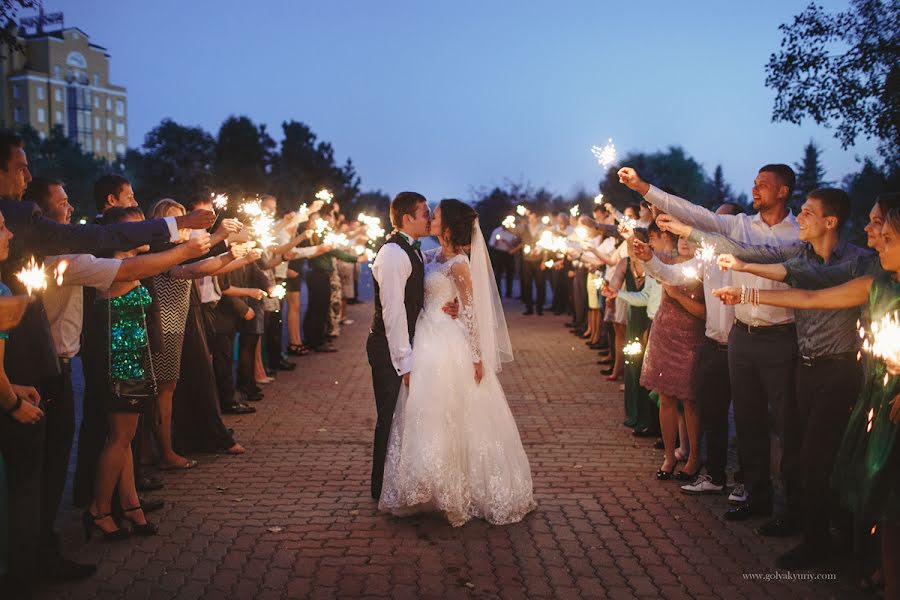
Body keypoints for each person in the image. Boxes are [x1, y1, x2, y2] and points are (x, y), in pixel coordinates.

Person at [713, 206, 900, 600]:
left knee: (864, 478)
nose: (875, 236)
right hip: (853, 383)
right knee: (858, 475)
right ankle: (869, 561)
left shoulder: (861, 262)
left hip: (855, 380)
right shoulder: (875, 280)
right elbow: (811, 295)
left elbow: (810, 284)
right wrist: (745, 289)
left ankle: (846, 552)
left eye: (884, 232)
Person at [619, 164, 800, 521]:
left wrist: (686, 230)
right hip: (740, 337)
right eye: (754, 182)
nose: (755, 188)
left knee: (783, 424)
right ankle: (755, 495)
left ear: (783, 191)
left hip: (781, 338)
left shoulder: (794, 234)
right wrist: (644, 189)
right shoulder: (740, 225)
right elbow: (696, 216)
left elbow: (761, 254)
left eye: (764, 184)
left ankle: (791, 507)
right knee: (745, 422)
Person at [379, 199, 535, 526]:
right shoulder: (429, 256)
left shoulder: (460, 264)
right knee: (428, 412)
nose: (430, 219)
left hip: (450, 343)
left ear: (447, 225)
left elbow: (474, 312)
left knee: (458, 415)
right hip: (426, 339)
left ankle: (463, 487)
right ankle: (430, 484)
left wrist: (477, 357)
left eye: (434, 216)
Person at [367, 192, 457, 501]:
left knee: (403, 420)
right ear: (408, 219)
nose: (429, 219)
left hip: (408, 343)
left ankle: (398, 485)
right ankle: (380, 490)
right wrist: (404, 362)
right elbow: (393, 313)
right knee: (389, 419)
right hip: (387, 347)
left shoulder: (414, 250)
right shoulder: (393, 254)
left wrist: (449, 300)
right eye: (425, 214)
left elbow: (441, 266)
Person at [488, 221, 518, 298]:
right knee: (498, 273)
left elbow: (516, 243)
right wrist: (496, 241)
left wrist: (508, 243)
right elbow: (491, 243)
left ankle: (509, 292)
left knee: (509, 273)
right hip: (499, 253)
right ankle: (498, 292)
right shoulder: (497, 231)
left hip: (509, 253)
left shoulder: (513, 231)